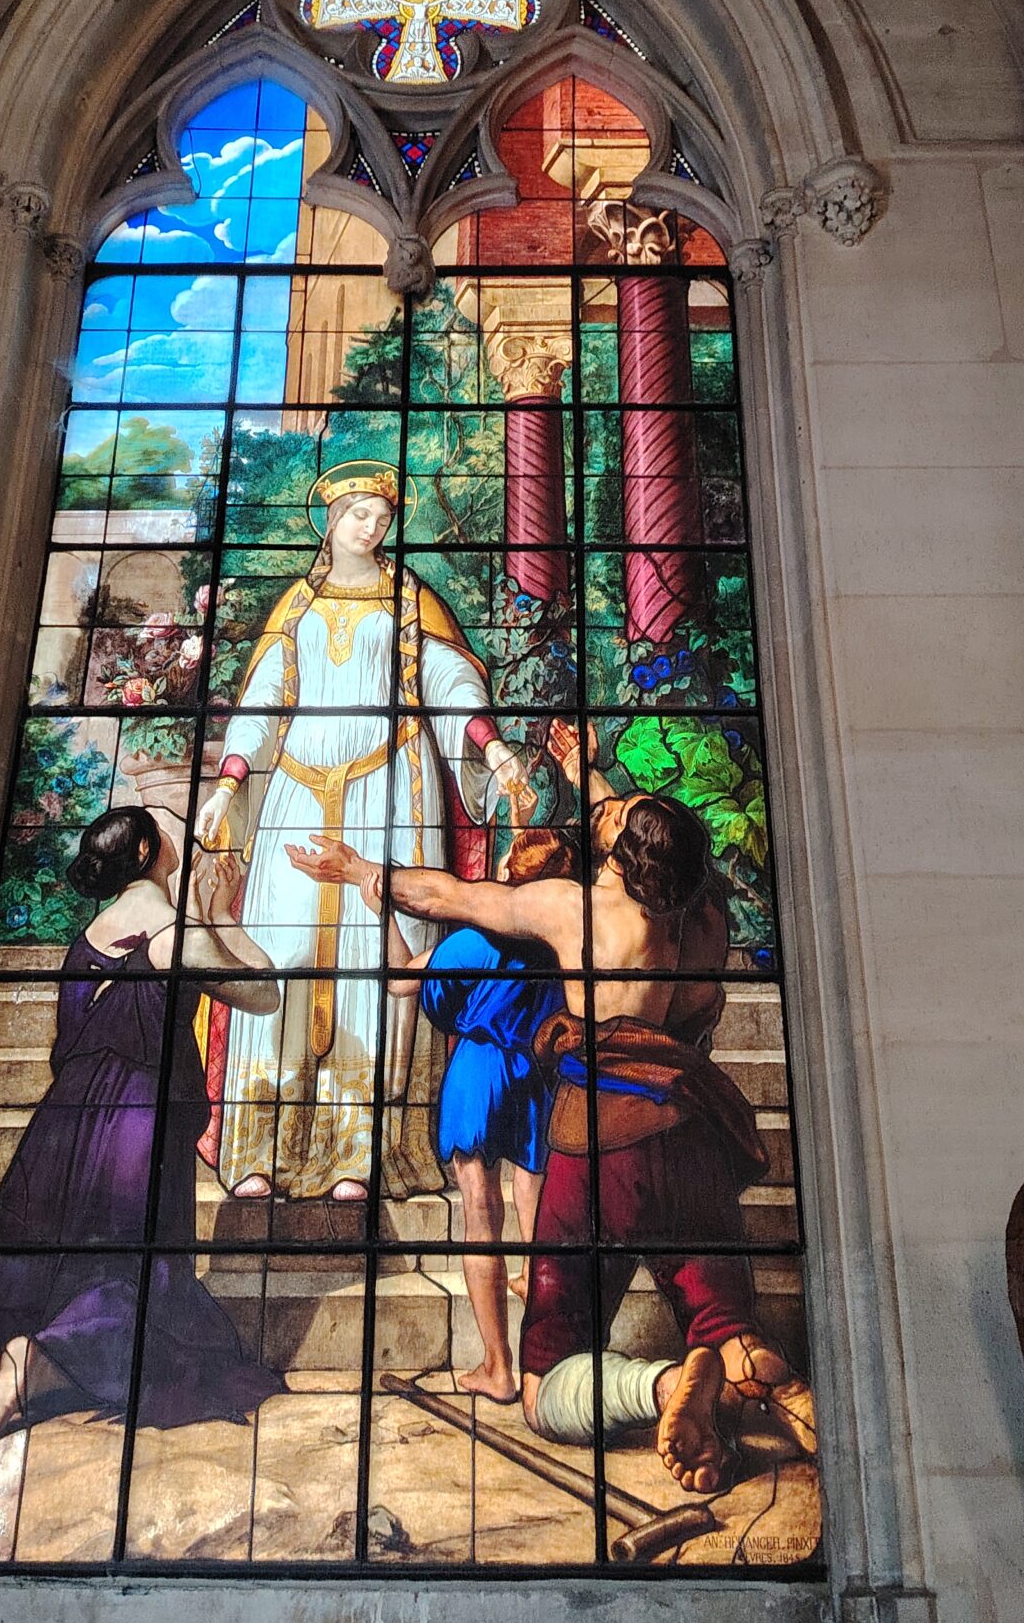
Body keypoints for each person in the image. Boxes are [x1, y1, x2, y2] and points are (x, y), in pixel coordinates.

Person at [287, 787, 818, 1521]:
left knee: (544, 1387)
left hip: (603, 1141)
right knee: (727, 1323)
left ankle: (662, 1387)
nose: (604, 806)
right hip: (691, 1137)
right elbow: (652, 833)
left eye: (615, 810)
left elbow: (449, 896)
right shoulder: (703, 921)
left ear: (621, 852)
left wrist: (361, 872)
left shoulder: (573, 909)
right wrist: (594, 779)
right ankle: (772, 1382)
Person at [192, 462, 532, 1204]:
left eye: (381, 517)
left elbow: (450, 685)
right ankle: (264, 1148)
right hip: (295, 796)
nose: (372, 527)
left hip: (389, 793)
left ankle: (361, 1153)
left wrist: (493, 746)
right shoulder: (296, 605)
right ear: (330, 518)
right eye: (358, 514)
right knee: (278, 953)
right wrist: (228, 785)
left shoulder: (410, 601)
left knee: (372, 964)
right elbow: (262, 704)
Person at [0, 807, 281, 1445]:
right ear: (145, 852)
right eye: (171, 830)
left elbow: (69, 1046)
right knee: (124, 1267)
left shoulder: (90, 935)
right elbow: (266, 993)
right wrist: (220, 915)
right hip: (136, 1128)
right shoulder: (172, 934)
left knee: (37, 1260)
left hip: (63, 1127)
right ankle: (24, 1367)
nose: (184, 839)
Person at [383, 827, 578, 1403]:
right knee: (534, 1201)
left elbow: (403, 983)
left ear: (510, 874)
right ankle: (545, 1349)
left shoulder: (472, 942)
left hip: (477, 1074)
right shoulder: (562, 945)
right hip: (537, 1071)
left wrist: (382, 916)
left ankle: (498, 1367)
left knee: (480, 1215)